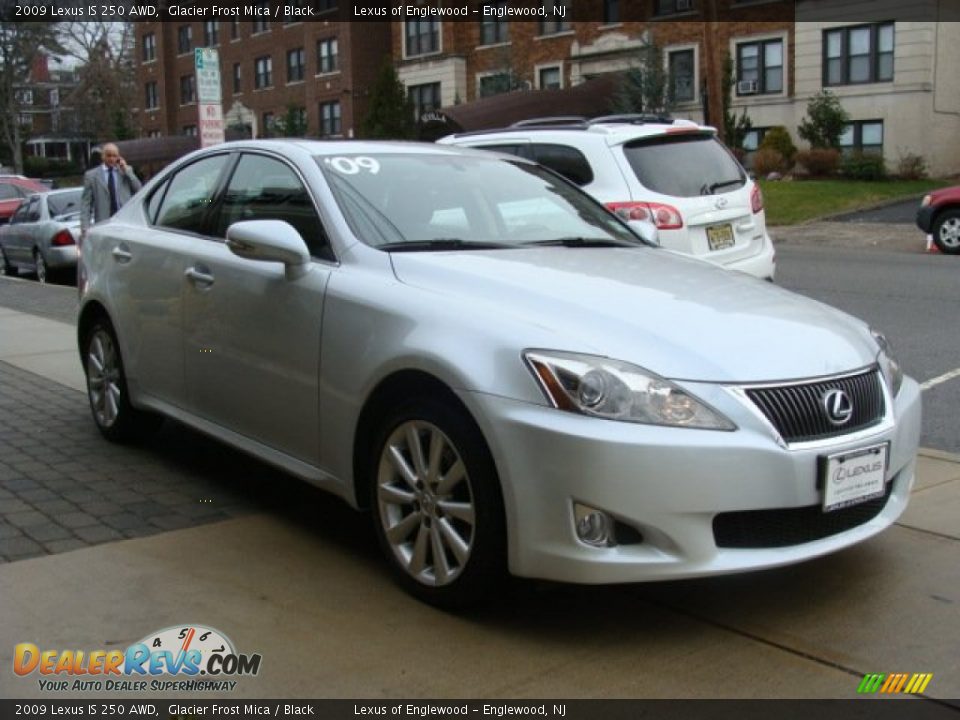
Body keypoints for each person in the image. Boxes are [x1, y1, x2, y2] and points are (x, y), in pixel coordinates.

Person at [80, 143, 142, 236]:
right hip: (104, 223)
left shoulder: (125, 171)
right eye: (108, 155)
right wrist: (85, 227)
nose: (111, 159)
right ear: (103, 156)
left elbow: (139, 189)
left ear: (118, 157)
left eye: (114, 156)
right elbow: (86, 204)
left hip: (124, 222)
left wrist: (127, 171)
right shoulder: (91, 176)